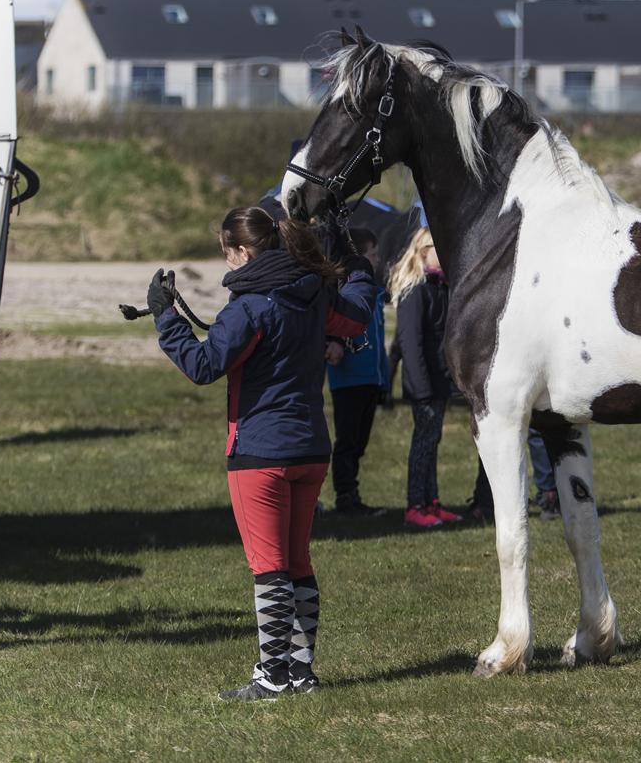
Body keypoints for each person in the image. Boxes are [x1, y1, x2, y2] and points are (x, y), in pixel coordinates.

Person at [149, 206, 375, 701]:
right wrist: (359, 267)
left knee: (269, 567)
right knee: (297, 562)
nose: (227, 262)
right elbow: (356, 317)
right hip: (312, 448)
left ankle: (272, 675)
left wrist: (166, 317)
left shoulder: (248, 307)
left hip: (260, 452)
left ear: (242, 252)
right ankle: (300, 670)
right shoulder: (313, 294)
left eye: (227, 252)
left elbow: (203, 365)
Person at [390, 226, 462, 529]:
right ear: (423, 251)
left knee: (433, 441)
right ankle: (415, 505)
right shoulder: (414, 289)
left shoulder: (440, 287)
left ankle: (432, 502)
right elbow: (409, 342)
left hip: (440, 380)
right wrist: (420, 387)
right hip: (424, 384)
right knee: (422, 443)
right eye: (439, 248)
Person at [325, 228, 390, 517]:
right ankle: (345, 498)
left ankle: (352, 493)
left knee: (360, 442)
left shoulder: (373, 294)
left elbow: (379, 341)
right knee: (348, 442)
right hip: (349, 381)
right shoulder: (345, 294)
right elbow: (336, 327)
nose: (377, 260)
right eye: (372, 255)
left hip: (371, 379)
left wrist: (384, 379)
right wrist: (336, 343)